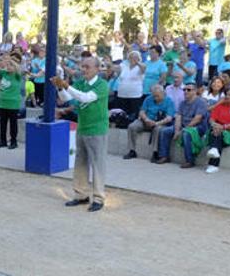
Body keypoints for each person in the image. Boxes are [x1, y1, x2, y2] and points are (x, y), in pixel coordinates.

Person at [52, 57, 110, 212]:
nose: (84, 69)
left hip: (97, 129)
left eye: (88, 67)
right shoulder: (80, 83)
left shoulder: (102, 85)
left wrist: (66, 85)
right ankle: (81, 194)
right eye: (83, 66)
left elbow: (85, 98)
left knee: (98, 164)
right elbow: (67, 98)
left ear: (97, 69)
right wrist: (60, 87)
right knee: (81, 162)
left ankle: (98, 197)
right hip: (83, 127)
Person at [123, 84, 175, 162]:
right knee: (132, 126)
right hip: (146, 120)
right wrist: (146, 119)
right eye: (154, 96)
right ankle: (132, 150)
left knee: (158, 129)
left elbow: (169, 118)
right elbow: (142, 112)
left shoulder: (169, 101)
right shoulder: (148, 99)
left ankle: (155, 152)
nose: (155, 98)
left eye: (157, 96)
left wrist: (157, 123)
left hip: (159, 122)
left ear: (163, 93)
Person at [164, 83, 209, 168]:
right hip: (183, 126)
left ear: (195, 91)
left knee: (186, 133)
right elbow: (178, 117)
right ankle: (164, 156)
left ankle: (190, 160)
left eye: (188, 90)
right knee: (165, 131)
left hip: (198, 127)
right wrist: (177, 130)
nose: (185, 91)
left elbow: (197, 119)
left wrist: (183, 130)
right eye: (184, 89)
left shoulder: (201, 102)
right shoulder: (182, 103)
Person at [204, 87, 230, 174]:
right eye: (226, 94)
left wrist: (223, 127)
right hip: (218, 129)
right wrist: (214, 124)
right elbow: (212, 119)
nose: (227, 96)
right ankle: (214, 154)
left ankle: (213, 164)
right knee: (216, 132)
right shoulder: (220, 105)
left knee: (217, 133)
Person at [0, 54, 23, 149]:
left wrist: (11, 61)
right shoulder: (3, 73)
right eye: (8, 66)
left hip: (13, 103)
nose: (9, 67)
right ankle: (2, 141)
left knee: (13, 124)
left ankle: (13, 142)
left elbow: (19, 69)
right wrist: (3, 63)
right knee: (3, 123)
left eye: (11, 66)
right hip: (3, 102)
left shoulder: (17, 75)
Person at [115, 50, 146, 119]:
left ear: (139, 58)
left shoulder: (140, 66)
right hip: (122, 93)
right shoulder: (123, 66)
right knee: (122, 112)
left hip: (135, 94)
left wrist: (137, 62)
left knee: (133, 113)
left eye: (135, 57)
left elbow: (144, 68)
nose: (133, 59)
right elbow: (116, 71)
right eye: (131, 57)